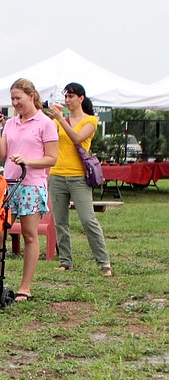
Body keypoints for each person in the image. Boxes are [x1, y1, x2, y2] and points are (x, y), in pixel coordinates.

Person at [0, 78, 58, 301]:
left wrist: (28, 161)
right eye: (12, 99)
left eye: (18, 98)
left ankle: (25, 286)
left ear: (31, 96)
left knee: (29, 234)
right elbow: (1, 154)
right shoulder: (12, 123)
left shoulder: (45, 123)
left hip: (31, 185)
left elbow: (52, 158)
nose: (15, 103)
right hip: (10, 184)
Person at [47, 83, 113, 276]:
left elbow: (77, 138)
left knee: (88, 219)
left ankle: (104, 262)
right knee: (60, 221)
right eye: (66, 97)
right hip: (57, 174)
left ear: (81, 98)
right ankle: (65, 260)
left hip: (78, 176)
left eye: (72, 97)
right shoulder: (60, 120)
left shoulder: (90, 120)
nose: (68, 100)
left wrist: (60, 119)